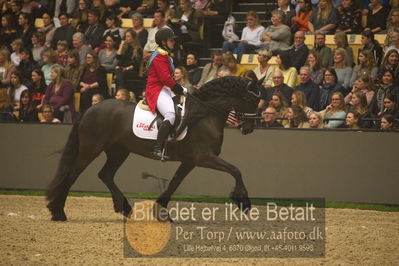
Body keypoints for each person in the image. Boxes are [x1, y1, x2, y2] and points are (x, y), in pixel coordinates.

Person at [145, 28, 184, 160]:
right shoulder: (160, 56)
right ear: (163, 42)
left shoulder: (165, 54)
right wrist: (179, 88)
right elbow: (165, 79)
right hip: (157, 89)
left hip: (165, 88)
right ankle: (157, 148)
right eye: (171, 40)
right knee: (171, 115)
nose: (174, 42)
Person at [115, 29, 143, 95]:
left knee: (121, 74)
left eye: (128, 36)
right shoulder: (125, 48)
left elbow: (136, 64)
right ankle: (121, 93)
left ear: (133, 38)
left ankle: (119, 93)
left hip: (132, 71)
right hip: (123, 70)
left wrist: (126, 68)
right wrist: (121, 46)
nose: (126, 38)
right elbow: (118, 57)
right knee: (118, 71)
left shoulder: (138, 49)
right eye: (125, 36)